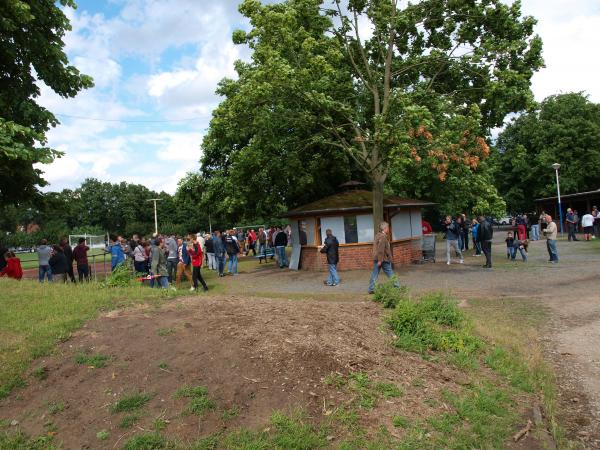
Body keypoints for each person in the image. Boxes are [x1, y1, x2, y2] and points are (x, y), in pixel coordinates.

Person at [368, 221, 400, 294]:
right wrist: (380, 260)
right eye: (388, 227)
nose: (388, 229)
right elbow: (381, 249)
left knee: (374, 273)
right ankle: (397, 286)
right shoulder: (382, 237)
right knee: (390, 273)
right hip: (383, 259)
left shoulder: (378, 235)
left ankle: (371, 288)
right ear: (385, 228)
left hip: (378, 259)